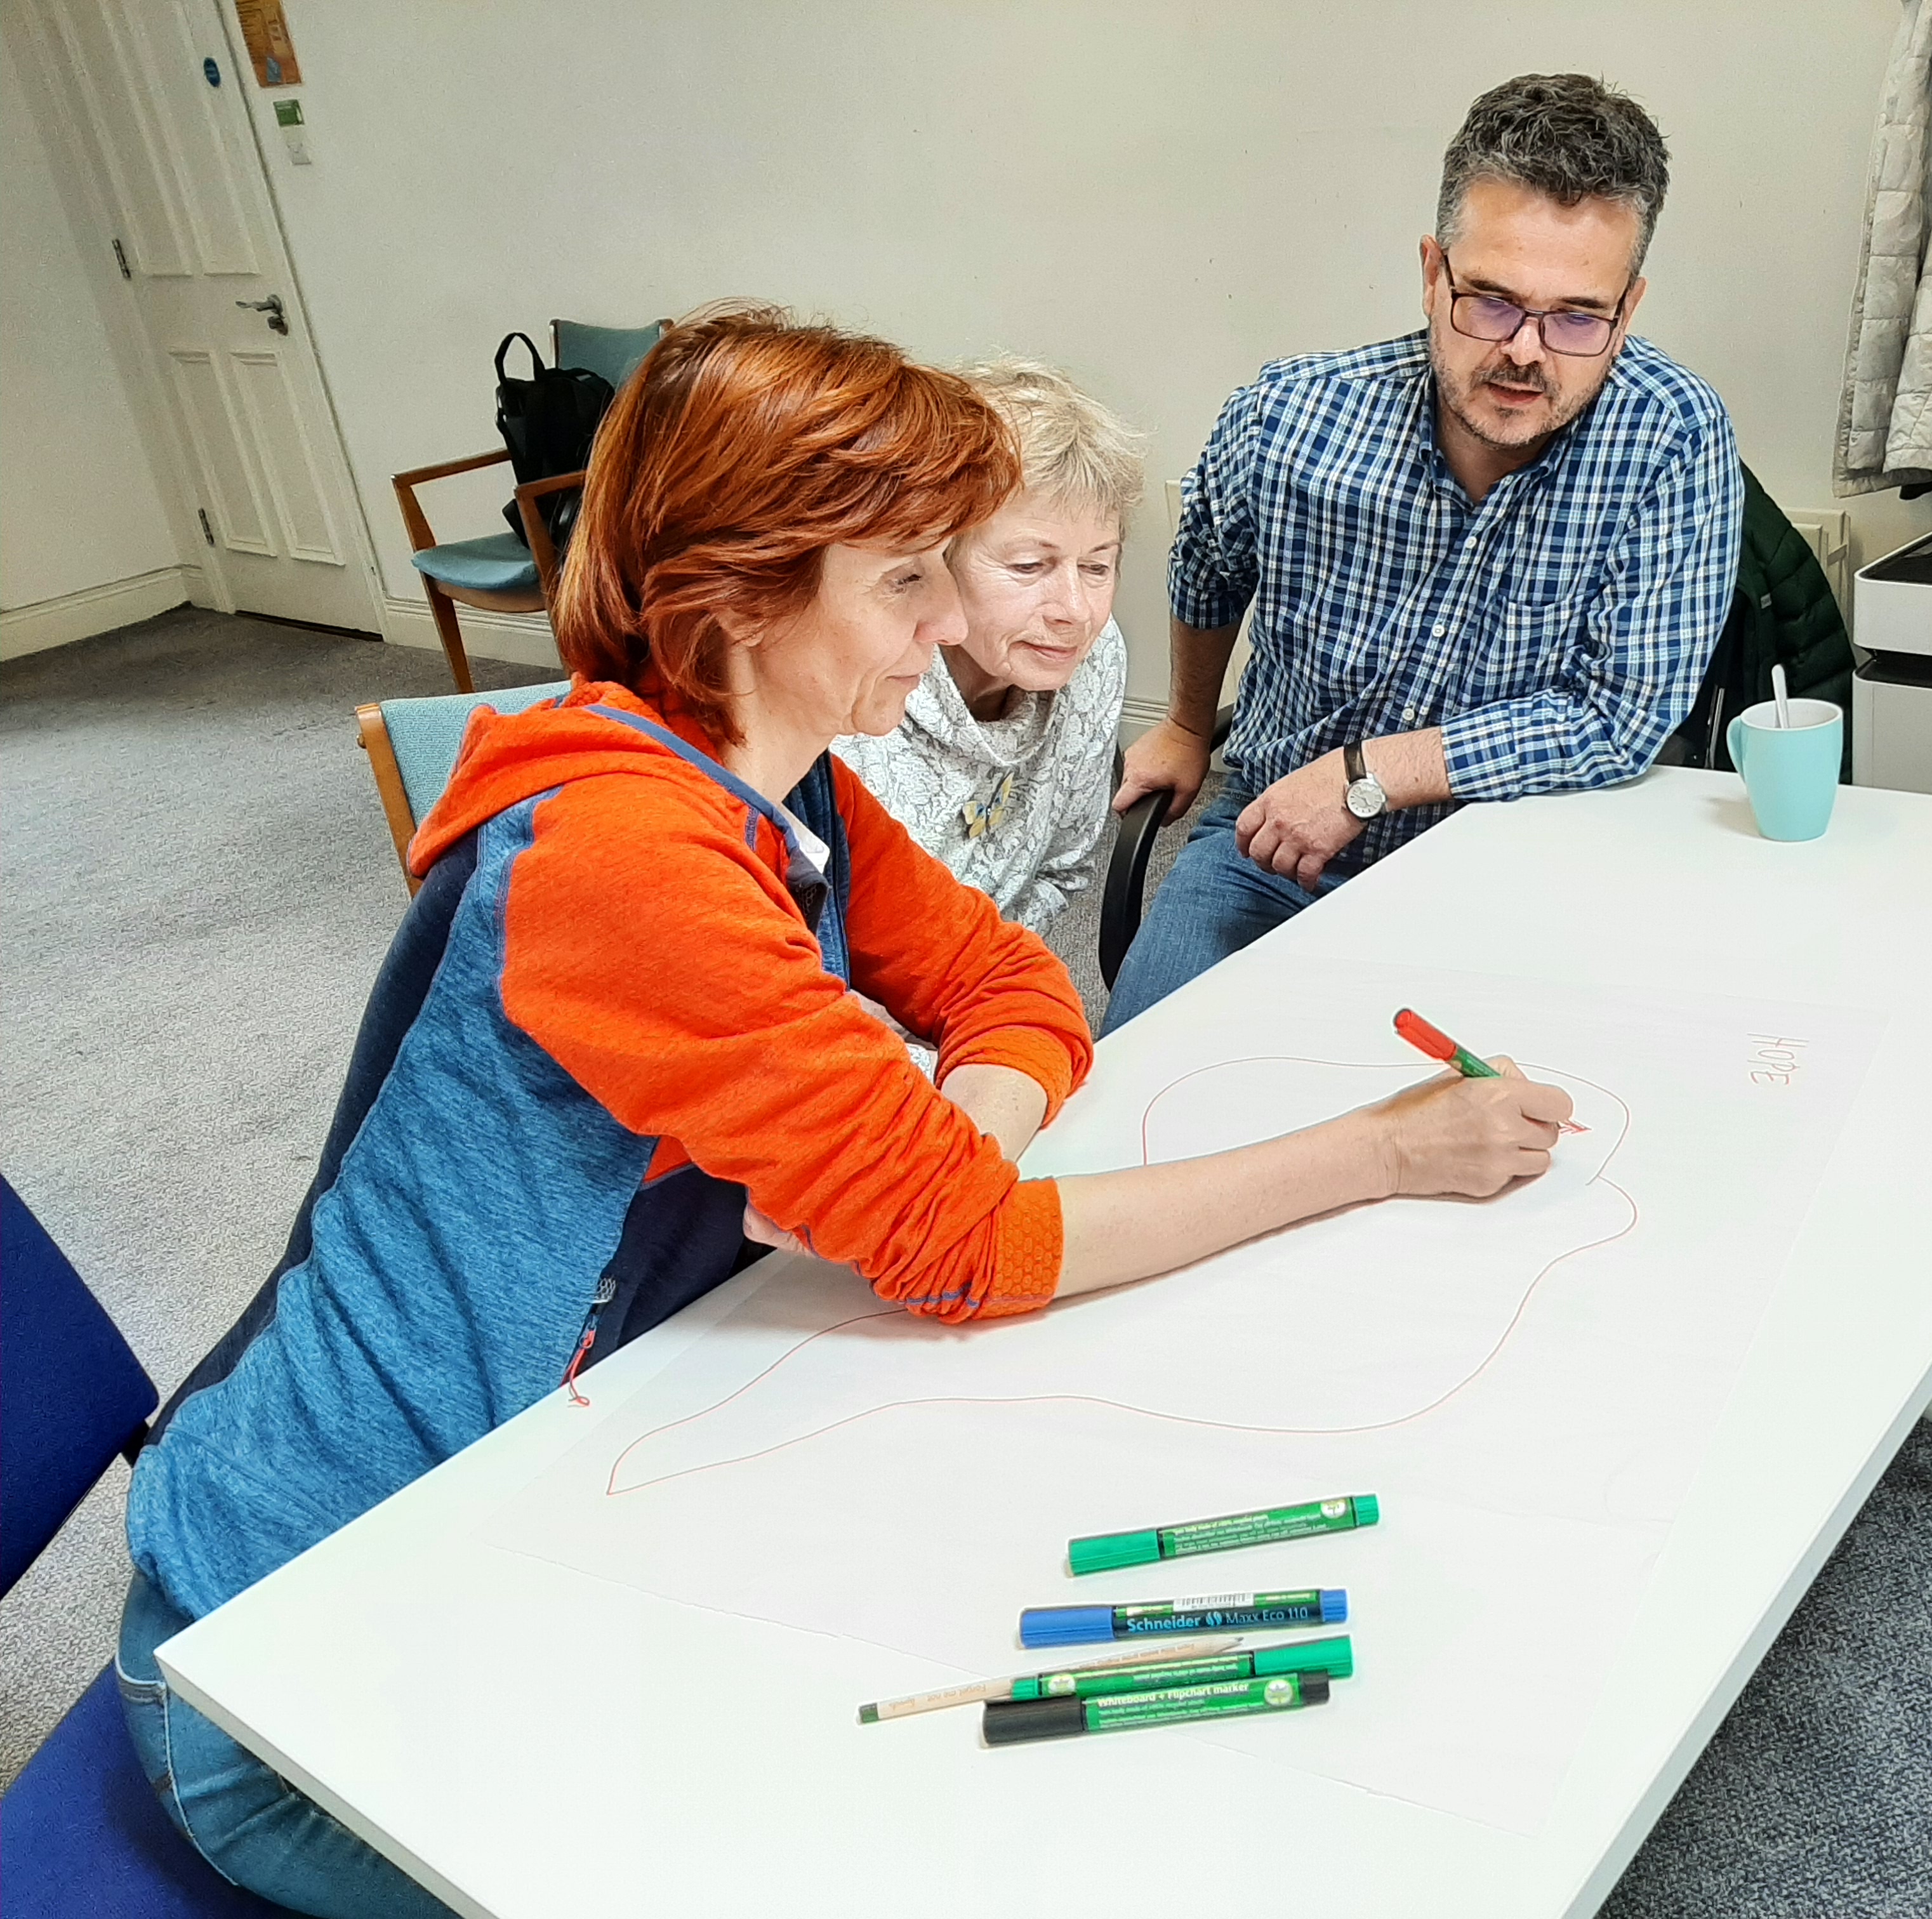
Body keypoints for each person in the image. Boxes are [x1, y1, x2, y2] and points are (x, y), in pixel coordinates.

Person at [115, 307, 1571, 1918]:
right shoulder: (630, 856)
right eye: (905, 580)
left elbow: (1013, 984)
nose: (952, 622)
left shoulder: (777, 772)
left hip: (536, 1490)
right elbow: (966, 1252)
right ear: (741, 598)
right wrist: (1378, 1150)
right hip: (288, 1665)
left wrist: (955, 1157)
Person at [1104, 74, 1742, 1032]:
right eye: (1491, 300)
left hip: (1513, 877)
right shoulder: (1289, 416)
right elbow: (1207, 569)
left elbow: (1620, 717)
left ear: (1630, 305)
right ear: (1433, 272)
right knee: (1133, 1094)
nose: (1527, 352)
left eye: (1578, 316)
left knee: (1507, 1117)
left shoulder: (1672, 437)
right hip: (1271, 851)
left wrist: (1367, 775)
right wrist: (1191, 725)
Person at [833, 356, 1135, 937]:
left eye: (1097, 566)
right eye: (1029, 565)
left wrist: (990, 975)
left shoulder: (1095, 656)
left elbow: (1063, 871)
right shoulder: (856, 696)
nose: (1075, 611)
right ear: (935, 559)